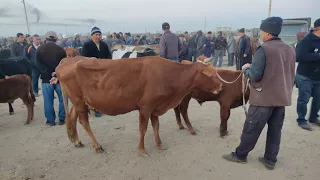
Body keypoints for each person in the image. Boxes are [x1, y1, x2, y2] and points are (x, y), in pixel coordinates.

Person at [222, 17, 295, 170]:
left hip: (263, 99)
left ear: (267, 33)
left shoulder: (264, 49)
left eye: (262, 31)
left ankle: (240, 155)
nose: (261, 34)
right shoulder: (289, 49)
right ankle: (270, 159)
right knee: (275, 130)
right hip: (281, 98)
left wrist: (246, 68)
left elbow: (255, 75)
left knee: (251, 129)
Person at [35, 31, 67, 126]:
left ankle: (50, 120)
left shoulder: (39, 49)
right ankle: (62, 118)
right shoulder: (61, 50)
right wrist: (56, 74)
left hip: (46, 79)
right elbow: (64, 64)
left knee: (48, 100)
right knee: (63, 99)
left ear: (46, 39)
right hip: (59, 79)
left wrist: (47, 73)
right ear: (56, 39)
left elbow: (38, 64)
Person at [295, 18, 320, 130]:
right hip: (305, 76)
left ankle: (313, 117)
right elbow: (298, 57)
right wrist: (318, 56)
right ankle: (301, 119)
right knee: (303, 99)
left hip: (318, 76)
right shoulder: (306, 41)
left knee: (318, 99)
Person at [81, 27, 112, 117]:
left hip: (103, 71)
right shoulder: (87, 45)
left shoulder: (104, 45)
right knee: (93, 91)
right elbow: (84, 58)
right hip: (92, 72)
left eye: (99, 35)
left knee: (103, 89)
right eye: (96, 35)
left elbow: (108, 55)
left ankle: (103, 107)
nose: (98, 36)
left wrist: (106, 63)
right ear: (92, 36)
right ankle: (95, 108)